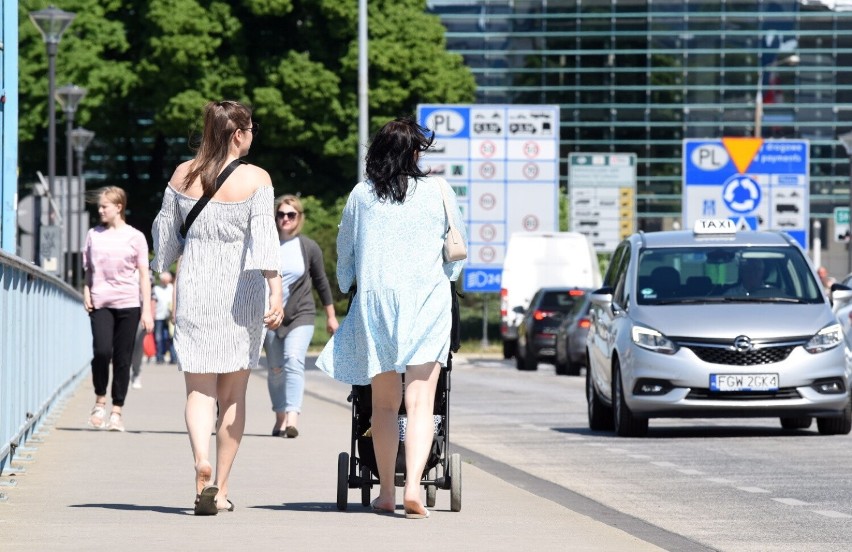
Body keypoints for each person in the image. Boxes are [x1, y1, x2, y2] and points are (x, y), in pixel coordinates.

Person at [316, 116, 466, 519]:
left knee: (383, 406)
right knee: (421, 403)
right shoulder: (438, 190)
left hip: (376, 304)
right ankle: (414, 488)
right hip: (427, 303)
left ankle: (385, 491)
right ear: (414, 152)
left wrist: (353, 284)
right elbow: (454, 257)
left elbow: (345, 259)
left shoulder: (361, 196)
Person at [151, 100, 283, 516]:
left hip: (195, 287)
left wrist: (162, 268)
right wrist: (275, 291)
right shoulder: (256, 179)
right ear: (238, 133)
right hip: (241, 289)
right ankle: (221, 488)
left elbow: (165, 235)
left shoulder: (182, 174)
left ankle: (199, 462)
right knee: (234, 394)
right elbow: (265, 242)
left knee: (198, 392)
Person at [263, 195, 339, 438]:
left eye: (291, 214)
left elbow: (321, 282)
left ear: (299, 218)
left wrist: (330, 316)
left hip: (301, 314)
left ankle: (292, 418)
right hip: (271, 316)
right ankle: (280, 415)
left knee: (294, 360)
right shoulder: (267, 245)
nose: (285, 219)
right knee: (275, 369)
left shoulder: (308, 247)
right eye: (281, 214)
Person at [83, 186, 154, 432]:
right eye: (100, 207)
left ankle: (116, 410)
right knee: (102, 351)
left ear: (118, 207)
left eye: (104, 206)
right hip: (100, 302)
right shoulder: (94, 235)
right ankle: (99, 400)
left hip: (128, 303)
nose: (100, 210)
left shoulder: (135, 237)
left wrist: (146, 311)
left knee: (123, 359)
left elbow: (144, 275)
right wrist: (86, 292)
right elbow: (88, 270)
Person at [152, 271, 178, 364]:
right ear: (161, 280)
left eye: (168, 280)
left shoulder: (172, 288)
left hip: (170, 316)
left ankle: (173, 358)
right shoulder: (156, 289)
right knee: (158, 338)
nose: (166, 282)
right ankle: (159, 357)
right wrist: (152, 315)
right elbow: (153, 302)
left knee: (171, 337)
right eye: (165, 281)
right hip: (159, 316)